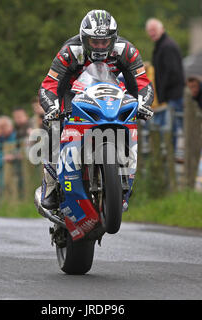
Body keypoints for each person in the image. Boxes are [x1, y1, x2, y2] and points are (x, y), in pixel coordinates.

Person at [38, 9, 154, 210]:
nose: (100, 47)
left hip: (111, 93)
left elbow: (142, 82)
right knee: (54, 127)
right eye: (94, 42)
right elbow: (49, 85)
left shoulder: (126, 50)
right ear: (84, 39)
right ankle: (50, 184)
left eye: (105, 42)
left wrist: (143, 104)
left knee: (130, 121)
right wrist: (52, 108)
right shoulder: (69, 52)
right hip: (72, 93)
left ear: (113, 39)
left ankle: (123, 177)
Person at [145, 18, 185, 148]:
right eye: (150, 31)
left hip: (172, 96)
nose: (152, 33)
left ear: (162, 29)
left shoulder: (167, 46)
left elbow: (171, 72)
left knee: (171, 131)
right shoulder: (161, 46)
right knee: (167, 130)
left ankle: (170, 158)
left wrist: (162, 93)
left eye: (154, 30)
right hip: (167, 96)